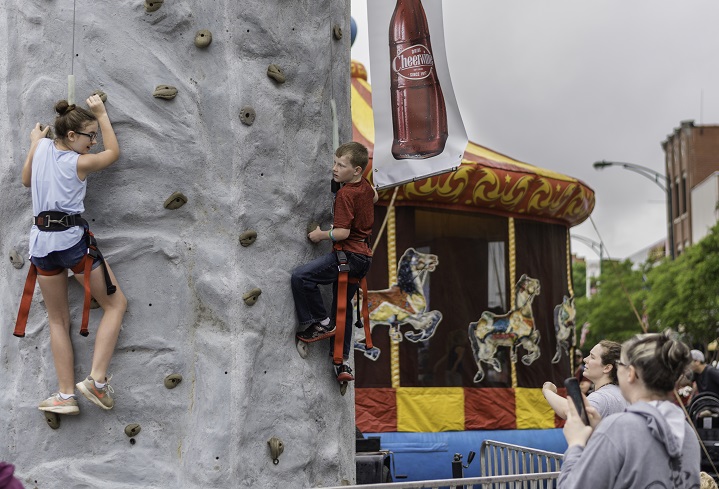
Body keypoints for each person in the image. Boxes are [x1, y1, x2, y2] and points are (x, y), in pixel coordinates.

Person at [21, 95, 127, 414]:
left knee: (57, 319)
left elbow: (26, 181)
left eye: (94, 135)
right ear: (71, 136)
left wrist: (34, 143)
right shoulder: (79, 162)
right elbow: (113, 153)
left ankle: (65, 396)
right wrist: (101, 113)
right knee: (115, 304)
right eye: (89, 135)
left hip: (40, 245)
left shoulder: (40, 150)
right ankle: (95, 380)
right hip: (70, 243)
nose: (93, 142)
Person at [559, 330, 700, 488]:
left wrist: (576, 443)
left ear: (631, 373)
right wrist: (599, 430)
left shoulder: (619, 428)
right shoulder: (687, 433)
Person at [291, 142, 377, 382]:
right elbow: (375, 196)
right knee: (343, 306)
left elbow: (342, 233)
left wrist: (320, 235)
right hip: (363, 260)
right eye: (335, 163)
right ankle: (342, 363)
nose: (335, 168)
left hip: (347, 257)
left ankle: (321, 322)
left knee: (302, 277)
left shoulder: (345, 194)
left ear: (357, 170)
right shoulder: (366, 187)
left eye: (342, 165)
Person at [542, 340, 627, 418]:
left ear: (607, 368)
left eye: (592, 357)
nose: (585, 359)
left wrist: (547, 391)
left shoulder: (601, 397)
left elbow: (572, 413)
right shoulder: (622, 393)